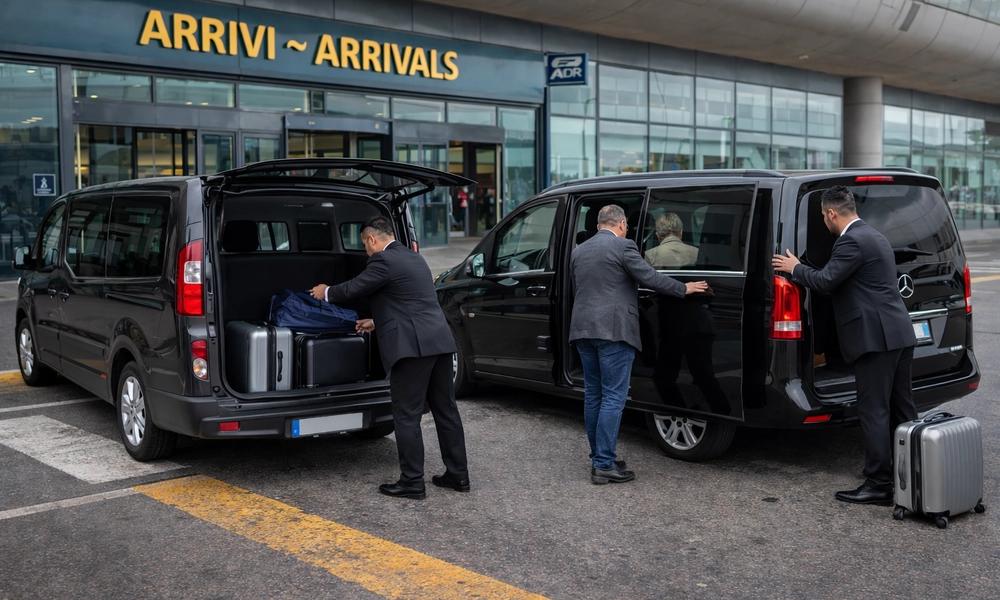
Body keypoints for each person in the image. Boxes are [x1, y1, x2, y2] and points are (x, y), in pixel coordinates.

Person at [772, 186, 917, 506]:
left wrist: (794, 268)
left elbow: (826, 281)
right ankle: (913, 476)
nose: (824, 222)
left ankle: (879, 483)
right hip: (898, 334)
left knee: (874, 410)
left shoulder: (850, 241)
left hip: (875, 339)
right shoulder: (874, 235)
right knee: (901, 408)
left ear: (831, 213)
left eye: (823, 217)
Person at [310, 216, 469, 500]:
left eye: (364, 245)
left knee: (406, 415)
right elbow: (410, 301)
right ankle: (458, 475)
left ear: (372, 239)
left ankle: (412, 482)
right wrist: (376, 322)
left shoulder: (382, 260)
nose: (366, 252)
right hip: (440, 342)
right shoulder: (414, 257)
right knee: (446, 410)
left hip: (412, 348)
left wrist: (326, 292)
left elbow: (355, 288)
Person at [569, 204, 709, 484]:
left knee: (594, 395)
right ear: (621, 224)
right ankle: (604, 465)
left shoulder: (579, 251)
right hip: (614, 330)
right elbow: (650, 277)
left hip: (583, 329)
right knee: (613, 397)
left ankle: (599, 457)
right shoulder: (623, 246)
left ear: (598, 225)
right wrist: (684, 288)